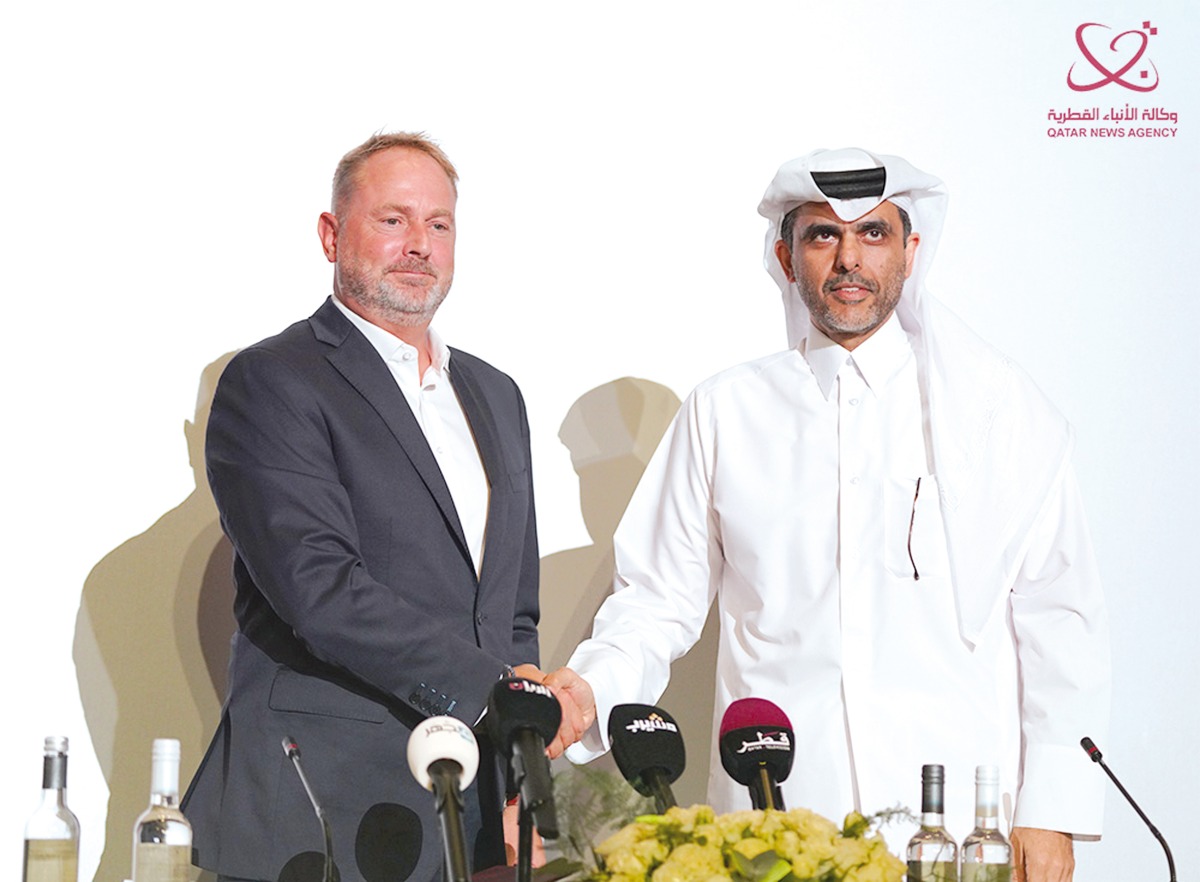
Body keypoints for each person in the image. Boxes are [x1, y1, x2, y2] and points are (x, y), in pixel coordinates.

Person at [546, 148, 1110, 882]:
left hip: (954, 829)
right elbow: (656, 600)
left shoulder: (996, 409)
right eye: (822, 237)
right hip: (776, 826)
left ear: (912, 250)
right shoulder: (726, 412)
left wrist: (1053, 808)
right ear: (786, 258)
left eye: (873, 234)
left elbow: (1059, 613)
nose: (850, 259)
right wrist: (592, 688)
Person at [182, 132, 574, 882]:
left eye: (438, 224)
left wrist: (524, 761)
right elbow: (319, 589)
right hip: (323, 813)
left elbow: (511, 613)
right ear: (332, 235)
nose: (418, 245)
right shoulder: (273, 381)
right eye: (392, 220)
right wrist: (497, 698)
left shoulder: (497, 395)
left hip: (478, 814)